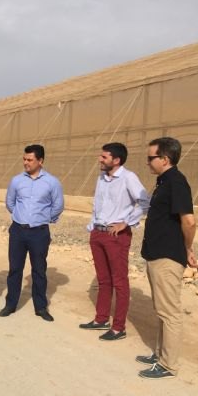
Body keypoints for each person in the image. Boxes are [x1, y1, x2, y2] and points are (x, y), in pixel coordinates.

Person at [138, 137, 197, 379]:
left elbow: (189, 221)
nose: (147, 162)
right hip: (156, 253)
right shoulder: (164, 181)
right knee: (162, 309)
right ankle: (161, 354)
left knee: (170, 312)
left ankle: (168, 365)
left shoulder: (176, 182)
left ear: (164, 159)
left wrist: (188, 248)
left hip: (167, 256)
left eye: (150, 158)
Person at [79, 143, 150, 341]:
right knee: (103, 279)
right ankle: (101, 319)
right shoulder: (101, 178)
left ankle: (119, 328)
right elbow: (98, 205)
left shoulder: (128, 177)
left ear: (116, 160)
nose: (100, 160)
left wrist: (126, 223)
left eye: (104, 157)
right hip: (98, 233)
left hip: (116, 237)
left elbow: (145, 202)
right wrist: (93, 227)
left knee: (119, 281)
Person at [0, 144, 64, 321]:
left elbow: (58, 206)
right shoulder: (16, 181)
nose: (26, 162)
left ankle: (41, 307)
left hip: (39, 233)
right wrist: (21, 217)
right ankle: (10, 304)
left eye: (30, 160)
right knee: (15, 269)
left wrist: (44, 218)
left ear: (40, 161)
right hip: (18, 231)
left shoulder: (52, 182)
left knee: (39, 271)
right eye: (24, 159)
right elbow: (10, 203)